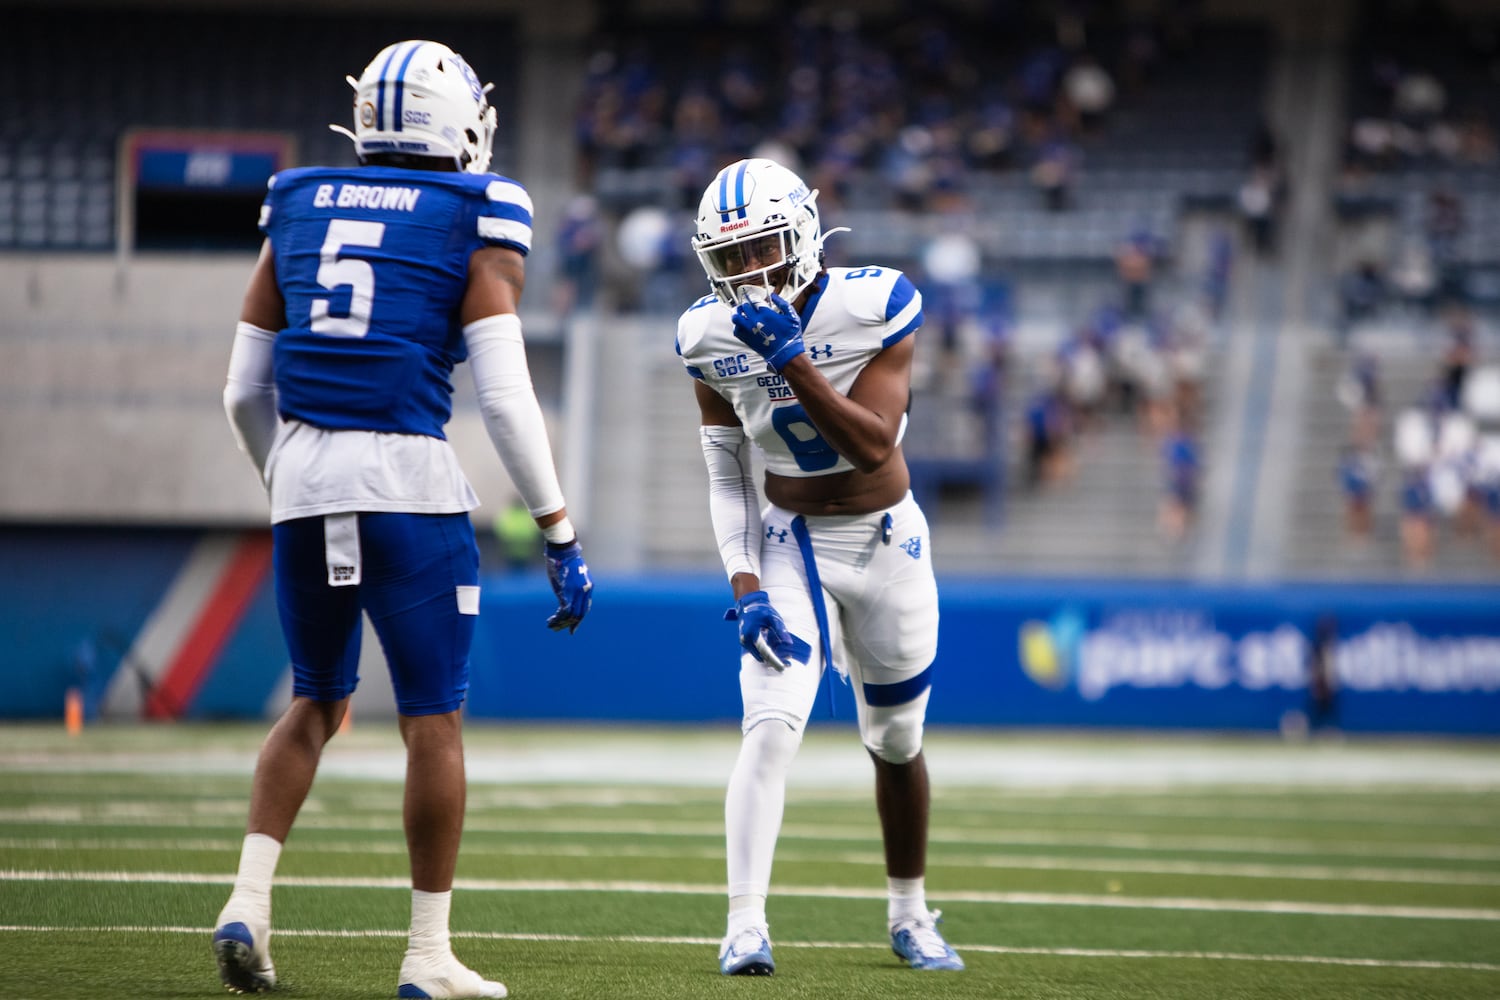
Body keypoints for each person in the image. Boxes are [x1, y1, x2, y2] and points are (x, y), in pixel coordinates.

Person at [215, 40, 593, 999]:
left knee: (316, 701)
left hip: (301, 474)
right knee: (433, 722)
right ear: (458, 121)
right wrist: (557, 528)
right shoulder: (479, 208)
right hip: (408, 481)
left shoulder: (297, 197)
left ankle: (248, 904)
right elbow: (504, 398)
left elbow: (241, 391)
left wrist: (292, 482)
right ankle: (427, 956)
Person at [675, 157, 964, 976]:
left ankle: (910, 913)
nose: (747, 273)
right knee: (769, 728)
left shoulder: (876, 303)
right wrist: (744, 584)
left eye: (761, 248)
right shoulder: (705, 334)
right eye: (727, 259)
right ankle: (743, 926)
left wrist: (795, 359)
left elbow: (873, 441)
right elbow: (725, 470)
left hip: (885, 540)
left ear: (802, 234)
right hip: (789, 536)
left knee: (897, 739)